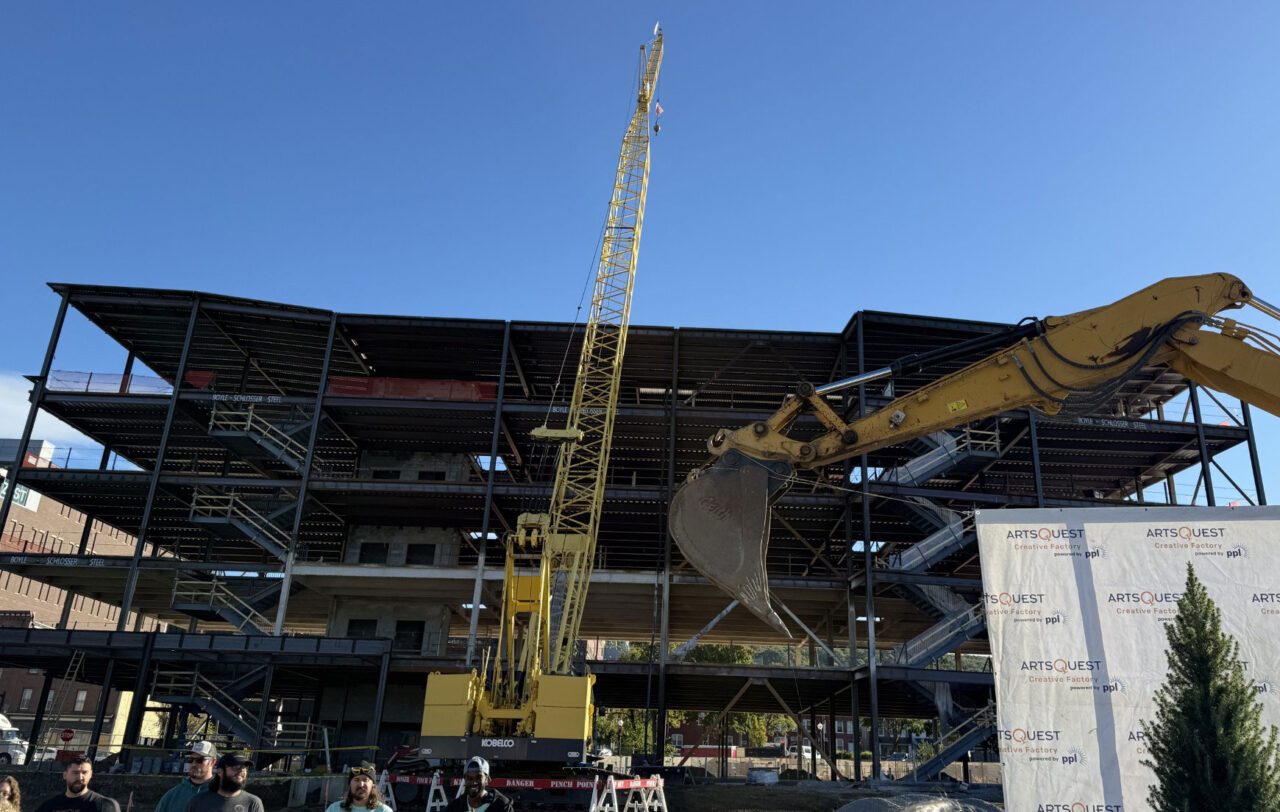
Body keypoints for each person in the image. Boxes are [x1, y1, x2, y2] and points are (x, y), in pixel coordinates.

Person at [33, 756, 119, 812]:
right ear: (65, 775)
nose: (80, 777)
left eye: (84, 772)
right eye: (75, 773)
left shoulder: (104, 805)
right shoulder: (49, 806)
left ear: (91, 775)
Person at [185, 753, 263, 812]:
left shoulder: (253, 803)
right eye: (236, 767)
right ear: (220, 771)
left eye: (245, 768)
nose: (241, 771)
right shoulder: (198, 802)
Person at [155, 741, 216, 812]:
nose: (193, 764)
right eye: (190, 759)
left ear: (212, 762)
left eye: (200, 760)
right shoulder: (171, 796)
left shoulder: (222, 795)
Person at [445, 757, 512, 812]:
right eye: (469, 778)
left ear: (487, 780)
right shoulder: (454, 808)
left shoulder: (502, 806)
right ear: (464, 780)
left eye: (478, 778)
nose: (474, 782)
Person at [324, 762, 390, 812]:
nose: (361, 785)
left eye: (365, 780)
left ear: (373, 785)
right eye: (356, 780)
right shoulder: (334, 809)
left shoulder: (383, 810)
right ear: (350, 784)